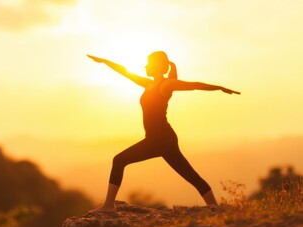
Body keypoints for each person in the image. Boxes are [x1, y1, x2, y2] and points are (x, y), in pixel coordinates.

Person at [86, 51, 240, 213]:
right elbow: (124, 71)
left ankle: (109, 206)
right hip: (161, 139)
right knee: (190, 175)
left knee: (119, 160)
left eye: (148, 63)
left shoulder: (166, 85)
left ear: (158, 66)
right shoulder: (148, 84)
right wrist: (105, 61)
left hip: (160, 139)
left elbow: (194, 85)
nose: (145, 66)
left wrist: (219, 88)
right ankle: (214, 208)